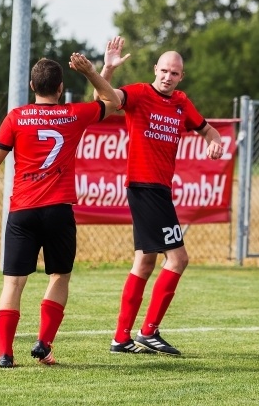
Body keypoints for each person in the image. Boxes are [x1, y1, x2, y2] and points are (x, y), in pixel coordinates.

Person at [0, 54, 120, 368]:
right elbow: (112, 100)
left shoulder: (16, 117)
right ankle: (44, 343)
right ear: (60, 88)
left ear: (31, 85)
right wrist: (95, 71)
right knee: (59, 275)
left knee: (13, 282)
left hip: (22, 211)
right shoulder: (74, 114)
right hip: (58, 210)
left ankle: (5, 354)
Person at [97, 36, 223, 356]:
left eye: (174, 73)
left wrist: (214, 141)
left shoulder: (181, 102)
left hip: (159, 189)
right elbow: (106, 99)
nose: (168, 77)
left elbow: (209, 129)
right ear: (155, 69)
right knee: (178, 258)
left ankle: (121, 338)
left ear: (181, 77)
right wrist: (107, 69)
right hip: (145, 186)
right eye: (164, 70)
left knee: (145, 261)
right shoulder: (139, 93)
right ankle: (149, 331)